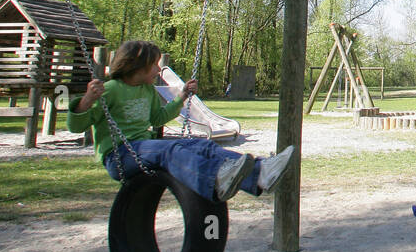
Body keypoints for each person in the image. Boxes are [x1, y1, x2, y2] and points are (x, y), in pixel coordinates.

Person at [67, 40, 295, 202]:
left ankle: (261, 172)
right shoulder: (109, 90)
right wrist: (87, 100)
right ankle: (214, 177)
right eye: (154, 64)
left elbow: (159, 118)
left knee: (202, 144)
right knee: (171, 150)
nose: (158, 69)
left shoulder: (147, 90)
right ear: (136, 65)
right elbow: (75, 126)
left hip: (144, 148)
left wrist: (183, 96)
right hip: (119, 156)